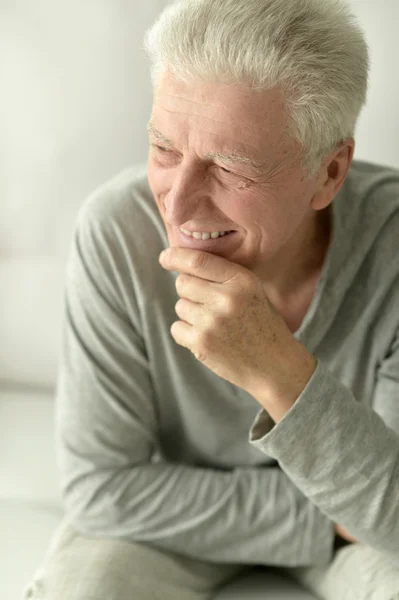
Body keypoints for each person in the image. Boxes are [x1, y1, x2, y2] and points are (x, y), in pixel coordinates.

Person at [23, 0, 399, 599]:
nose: (174, 206)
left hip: (357, 532)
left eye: (229, 168)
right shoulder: (117, 232)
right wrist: (327, 516)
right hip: (209, 524)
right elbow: (101, 489)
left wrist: (281, 370)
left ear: (328, 173)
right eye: (165, 150)